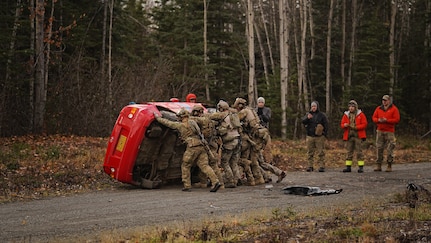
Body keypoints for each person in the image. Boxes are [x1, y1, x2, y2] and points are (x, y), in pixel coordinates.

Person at [153, 108, 221, 192]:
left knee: (185, 165)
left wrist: (158, 118)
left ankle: (187, 185)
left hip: (192, 147)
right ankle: (215, 181)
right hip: (201, 145)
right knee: (204, 166)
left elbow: (168, 123)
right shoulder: (193, 122)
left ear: (181, 117)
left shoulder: (181, 125)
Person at [190, 105, 224, 189]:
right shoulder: (209, 117)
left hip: (207, 145)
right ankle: (215, 183)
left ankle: (207, 183)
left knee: (205, 164)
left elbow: (189, 120)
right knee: (210, 164)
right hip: (213, 143)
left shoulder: (200, 119)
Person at [372, 94, 400, 172]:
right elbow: (374, 118)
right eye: (383, 100)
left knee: (390, 147)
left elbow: (397, 119)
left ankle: (389, 164)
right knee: (379, 147)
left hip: (389, 131)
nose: (384, 102)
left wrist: (387, 120)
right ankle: (378, 165)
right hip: (380, 130)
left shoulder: (394, 109)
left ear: (389, 101)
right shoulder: (378, 108)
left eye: (385, 100)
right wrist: (378, 120)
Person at [340, 100, 368, 173]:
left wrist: (356, 127)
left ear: (355, 107)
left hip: (358, 136)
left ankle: (361, 167)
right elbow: (342, 124)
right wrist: (345, 125)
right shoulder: (346, 115)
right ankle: (348, 167)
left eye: (352, 106)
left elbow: (364, 124)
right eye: (350, 106)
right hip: (349, 136)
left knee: (359, 152)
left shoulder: (361, 114)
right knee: (349, 152)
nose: (351, 108)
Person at [302, 101, 329, 172]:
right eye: (312, 106)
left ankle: (321, 166)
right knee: (310, 152)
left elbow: (326, 125)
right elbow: (303, 121)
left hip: (319, 137)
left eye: (314, 106)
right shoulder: (308, 114)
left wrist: (324, 134)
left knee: (321, 152)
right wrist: (307, 118)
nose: (313, 107)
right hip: (310, 136)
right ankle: (310, 166)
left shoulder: (322, 115)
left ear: (317, 107)